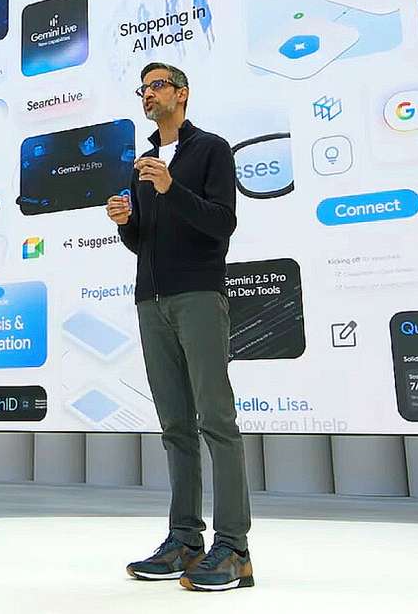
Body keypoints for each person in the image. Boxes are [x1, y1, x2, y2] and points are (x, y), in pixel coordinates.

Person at [106, 62, 253, 593]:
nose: (148, 94)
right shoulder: (142, 164)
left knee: (216, 420)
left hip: (198, 296)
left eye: (157, 86)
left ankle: (234, 549)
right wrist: (126, 223)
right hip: (152, 302)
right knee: (175, 426)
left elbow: (221, 223)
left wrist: (171, 189)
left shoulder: (210, 149)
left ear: (182, 93)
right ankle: (185, 541)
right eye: (143, 89)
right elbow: (143, 242)